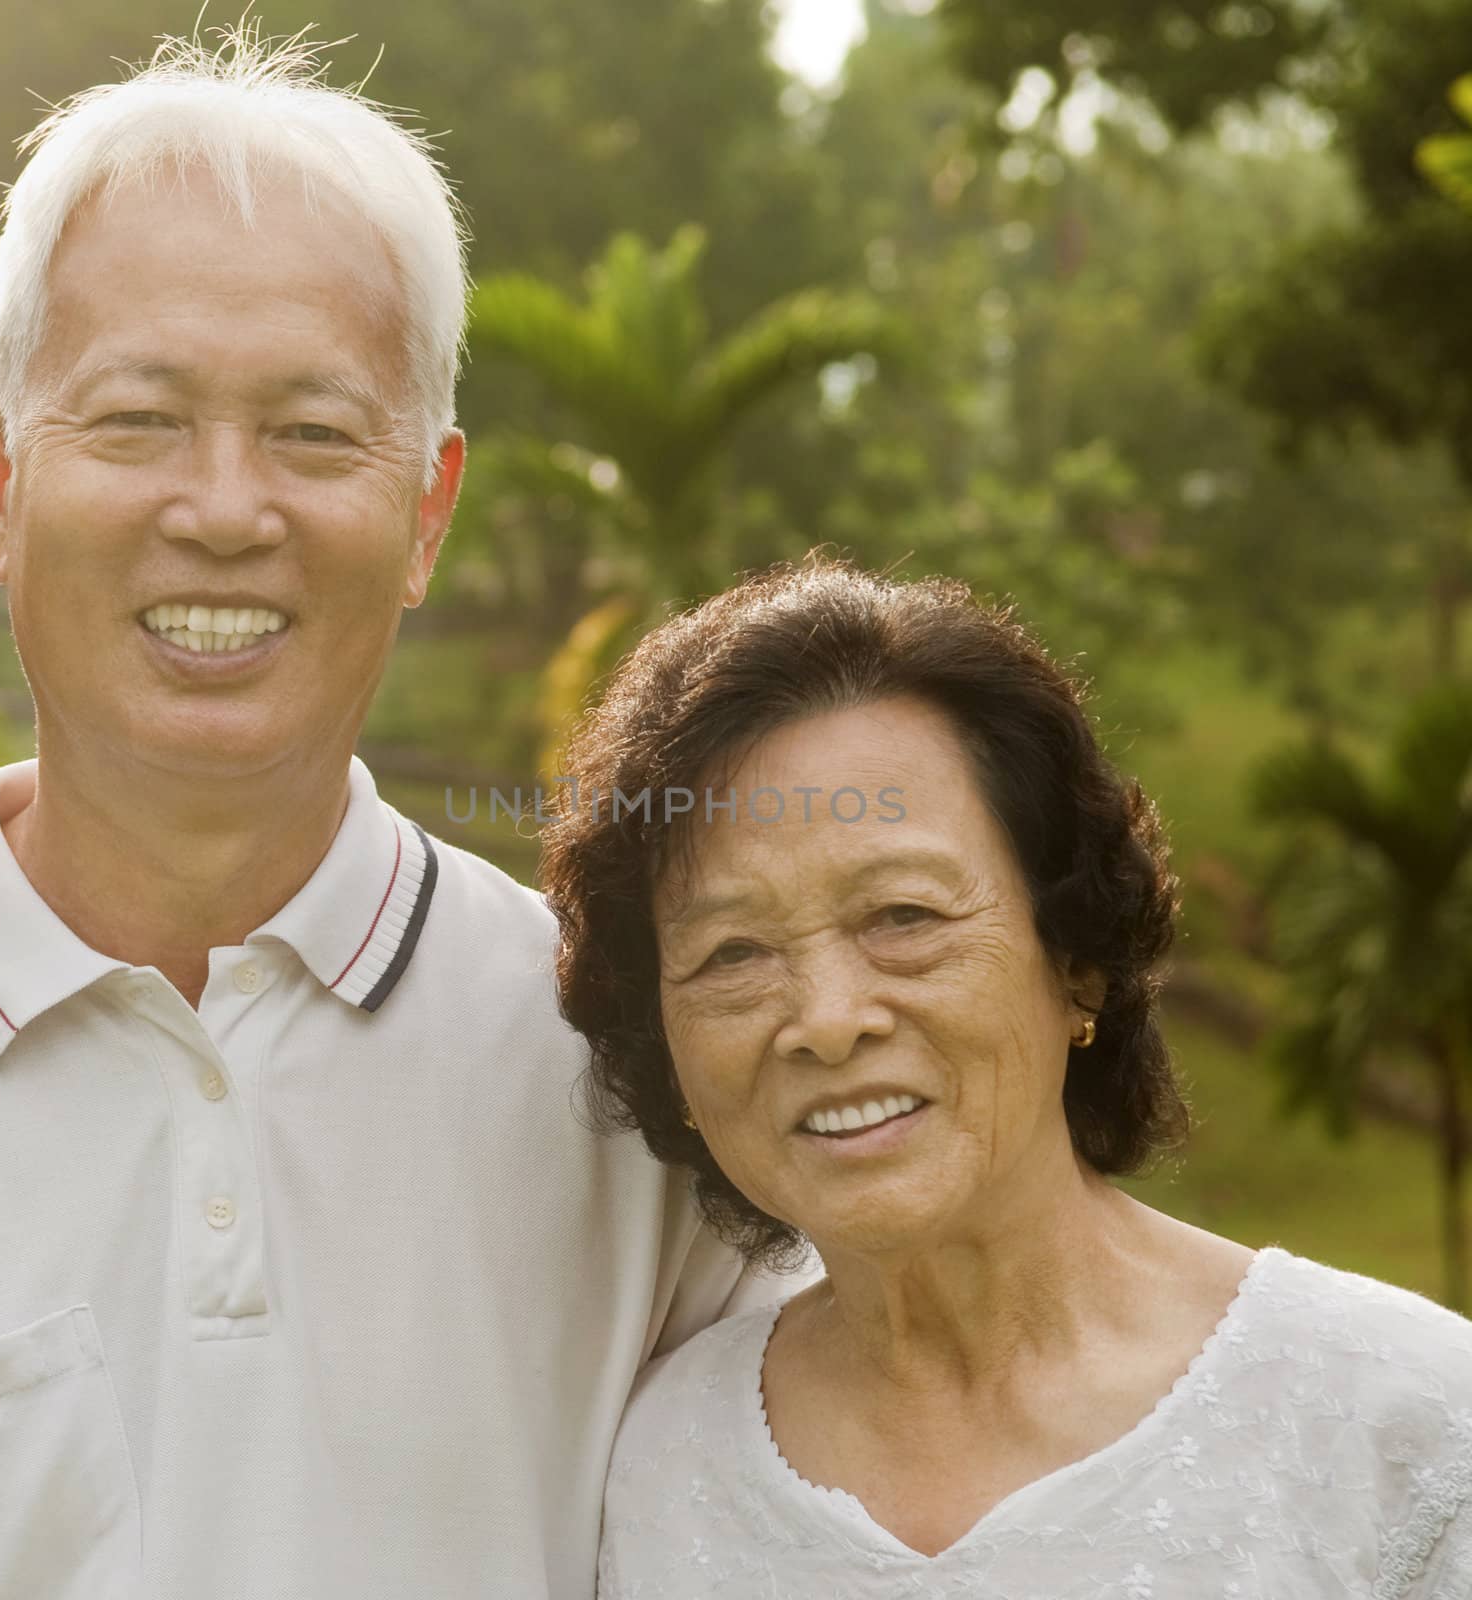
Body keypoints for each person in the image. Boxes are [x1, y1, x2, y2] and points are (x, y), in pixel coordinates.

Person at [0, 29, 812, 1600]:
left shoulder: (638, 1074)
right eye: (136, 421)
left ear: (428, 509)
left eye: (314, 434)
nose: (227, 510)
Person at [543, 558, 1472, 1598]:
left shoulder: (1411, 1430)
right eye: (732, 955)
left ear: (1075, 960)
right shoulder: (658, 1467)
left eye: (903, 917)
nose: (829, 1020)